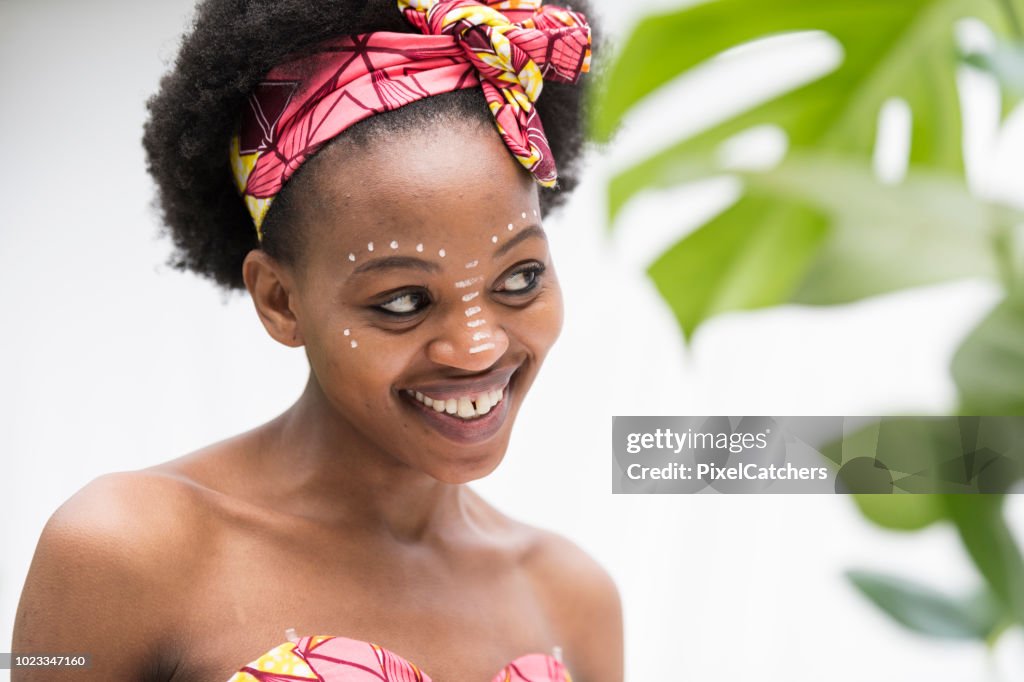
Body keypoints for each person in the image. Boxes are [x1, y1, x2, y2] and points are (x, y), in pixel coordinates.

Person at [12, 0, 623, 680]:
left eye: (519, 279)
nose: (477, 348)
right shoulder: (121, 549)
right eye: (402, 301)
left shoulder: (574, 599)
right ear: (279, 300)